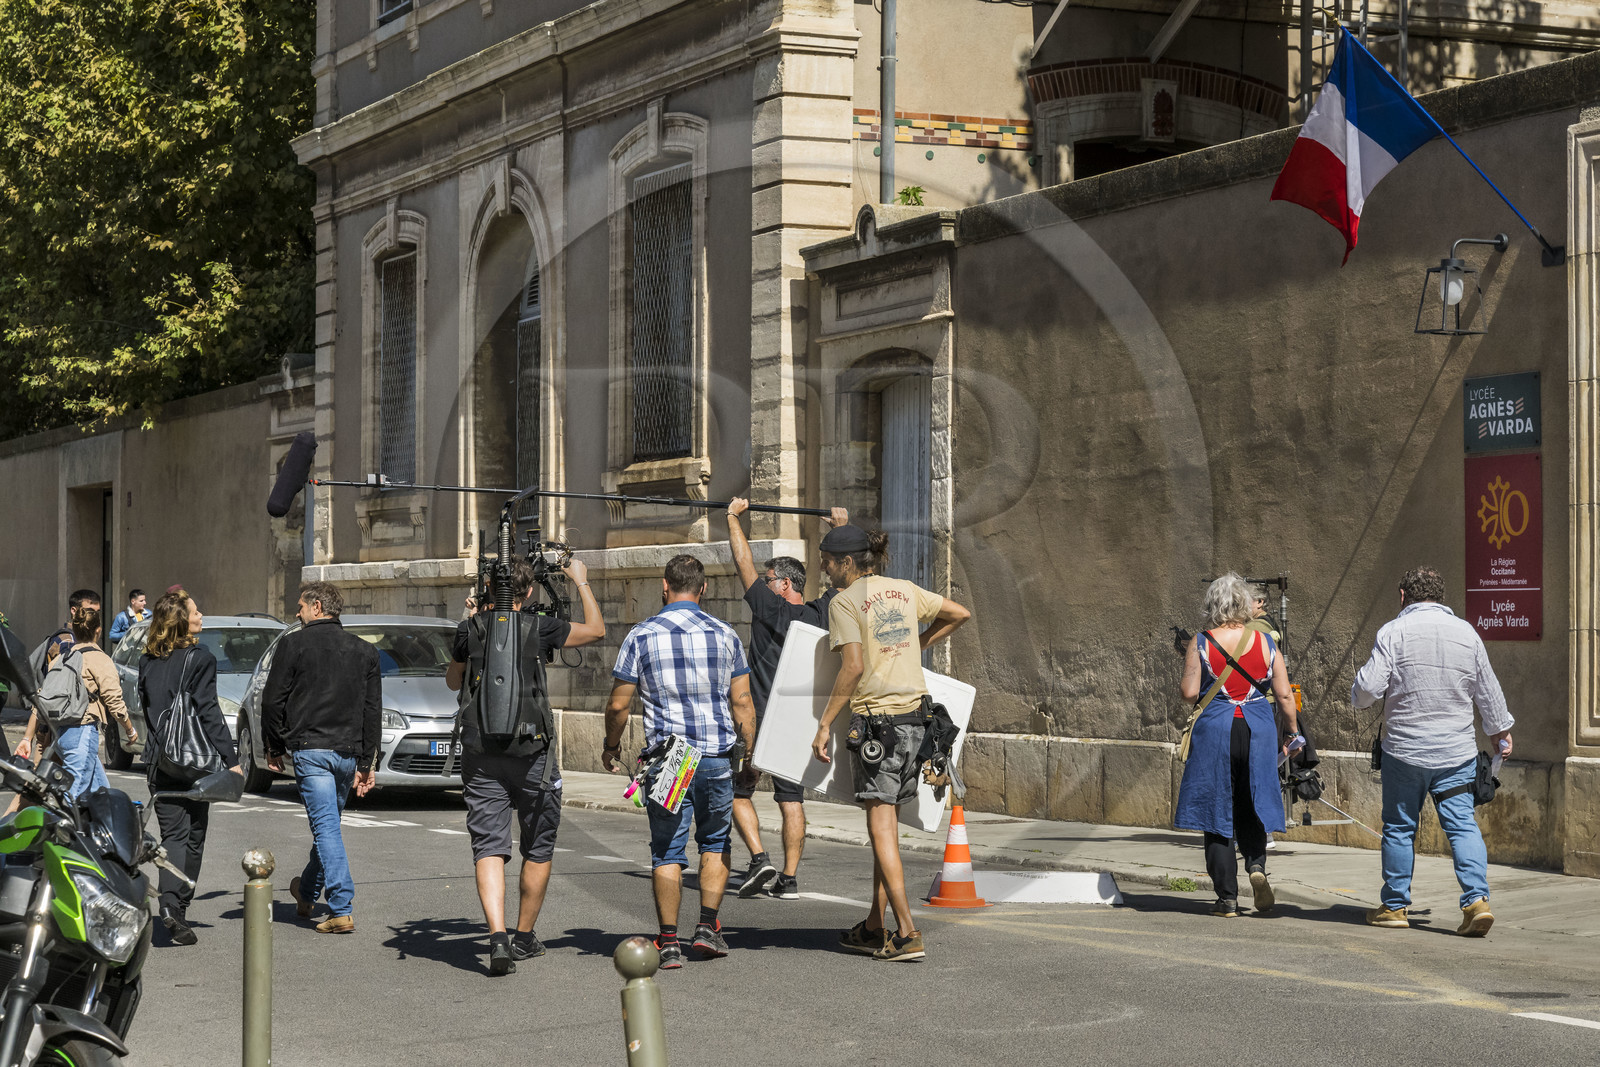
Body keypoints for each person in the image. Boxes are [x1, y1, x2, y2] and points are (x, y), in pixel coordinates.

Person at [811, 525, 970, 962]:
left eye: (827, 561)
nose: (824, 568)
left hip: (878, 728)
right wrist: (915, 644)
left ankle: (907, 932)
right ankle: (873, 926)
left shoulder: (844, 602)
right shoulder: (903, 590)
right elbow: (958, 613)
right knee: (887, 834)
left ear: (847, 562)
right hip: (916, 723)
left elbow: (853, 667)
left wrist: (824, 724)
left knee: (881, 832)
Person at [445, 557, 604, 976]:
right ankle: (523, 937)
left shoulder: (470, 629)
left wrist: (471, 620)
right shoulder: (540, 627)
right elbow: (596, 630)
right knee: (538, 846)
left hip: (481, 754)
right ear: (528, 592)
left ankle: (497, 935)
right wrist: (581, 582)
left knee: (488, 846)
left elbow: (453, 681)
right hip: (533, 753)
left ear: (487, 590)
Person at [602, 555, 756, 969]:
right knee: (715, 842)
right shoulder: (726, 634)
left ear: (664, 586)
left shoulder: (641, 635)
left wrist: (610, 746)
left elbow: (618, 706)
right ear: (703, 589)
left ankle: (668, 942)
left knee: (667, 850)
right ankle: (706, 927)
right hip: (716, 756)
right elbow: (742, 703)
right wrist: (749, 755)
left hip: (671, 759)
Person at [1353, 566, 1513, 937]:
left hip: (1404, 751)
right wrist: (1499, 732)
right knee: (1462, 825)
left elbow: (1368, 690)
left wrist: (1357, 692)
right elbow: (1488, 690)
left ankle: (1395, 906)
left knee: (1399, 828)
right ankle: (1477, 901)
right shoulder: (1467, 633)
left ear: (1403, 596)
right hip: (1456, 753)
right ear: (1440, 596)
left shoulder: (1393, 632)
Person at [724, 497, 848, 900]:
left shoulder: (769, 609)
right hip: (797, 727)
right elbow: (845, 579)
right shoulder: (823, 612)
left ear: (783, 585)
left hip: (758, 722)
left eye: (769, 579)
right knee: (791, 800)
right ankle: (789, 880)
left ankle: (760, 859)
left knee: (737, 791)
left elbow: (743, 564)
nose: (763, 583)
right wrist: (839, 530)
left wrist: (732, 518)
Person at [1175, 573, 1299, 918]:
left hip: (1217, 728)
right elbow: (1284, 695)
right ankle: (1256, 865)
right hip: (1257, 728)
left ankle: (1227, 898)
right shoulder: (1266, 642)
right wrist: (1292, 733)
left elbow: (1188, 693)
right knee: (1252, 799)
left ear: (1212, 605)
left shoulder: (1201, 641)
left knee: (1216, 808)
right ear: (1245, 604)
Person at [260, 582, 382, 935]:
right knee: (327, 826)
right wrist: (366, 763)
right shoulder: (365, 651)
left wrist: (274, 745)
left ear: (316, 607)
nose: (296, 613)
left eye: (300, 606)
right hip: (347, 752)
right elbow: (372, 711)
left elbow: (272, 700)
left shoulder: (293, 644)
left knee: (325, 827)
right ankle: (307, 891)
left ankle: (341, 906)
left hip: (311, 749)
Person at [138, 591, 241, 946]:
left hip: (159, 761)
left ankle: (171, 906)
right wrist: (232, 761)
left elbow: (147, 706)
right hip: (194, 761)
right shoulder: (201, 659)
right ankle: (176, 906)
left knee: (173, 835)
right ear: (182, 621)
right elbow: (209, 712)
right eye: (196, 612)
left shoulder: (147, 660)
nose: (201, 615)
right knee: (194, 834)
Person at [14, 606, 139, 802]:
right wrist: (130, 730)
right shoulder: (100, 659)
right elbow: (115, 702)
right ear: (98, 630)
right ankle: (49, 822)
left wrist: (27, 738)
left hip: (60, 734)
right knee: (69, 799)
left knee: (102, 795)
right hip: (82, 732)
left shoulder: (63, 657)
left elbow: (42, 699)